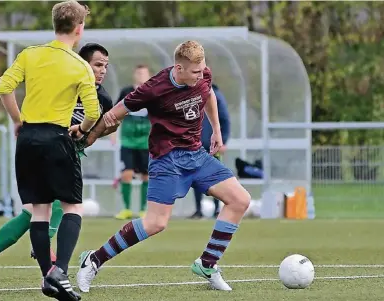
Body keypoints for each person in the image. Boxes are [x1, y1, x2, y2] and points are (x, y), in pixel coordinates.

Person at [74, 40, 251, 293]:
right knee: (155, 223)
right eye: (195, 72)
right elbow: (114, 114)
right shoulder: (153, 88)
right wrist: (87, 138)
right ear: (178, 68)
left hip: (196, 155)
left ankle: (207, 263)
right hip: (166, 159)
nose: (201, 75)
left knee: (240, 200)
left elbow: (208, 92)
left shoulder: (203, 74)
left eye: (203, 71)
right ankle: (94, 259)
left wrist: (217, 131)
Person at [0, 41, 114, 296]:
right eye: (98, 65)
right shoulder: (66, 86)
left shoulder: (103, 99)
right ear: (82, 65)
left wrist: (95, 132)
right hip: (47, 150)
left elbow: (100, 126)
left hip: (64, 156)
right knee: (53, 208)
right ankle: (50, 264)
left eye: (106, 66)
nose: (102, 71)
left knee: (32, 213)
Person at [111, 65, 151, 220]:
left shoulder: (152, 93)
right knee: (126, 173)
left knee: (146, 175)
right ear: (134, 75)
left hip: (146, 142)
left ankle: (143, 209)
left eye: (144, 73)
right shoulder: (126, 92)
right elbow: (116, 112)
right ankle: (126, 208)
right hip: (128, 141)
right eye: (139, 73)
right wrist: (113, 133)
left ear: (149, 76)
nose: (141, 76)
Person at [189, 84, 231, 219]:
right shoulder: (190, 94)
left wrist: (223, 140)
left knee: (215, 176)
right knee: (195, 177)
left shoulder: (215, 95)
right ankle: (198, 210)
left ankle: (217, 209)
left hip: (213, 145)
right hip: (195, 145)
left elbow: (225, 119)